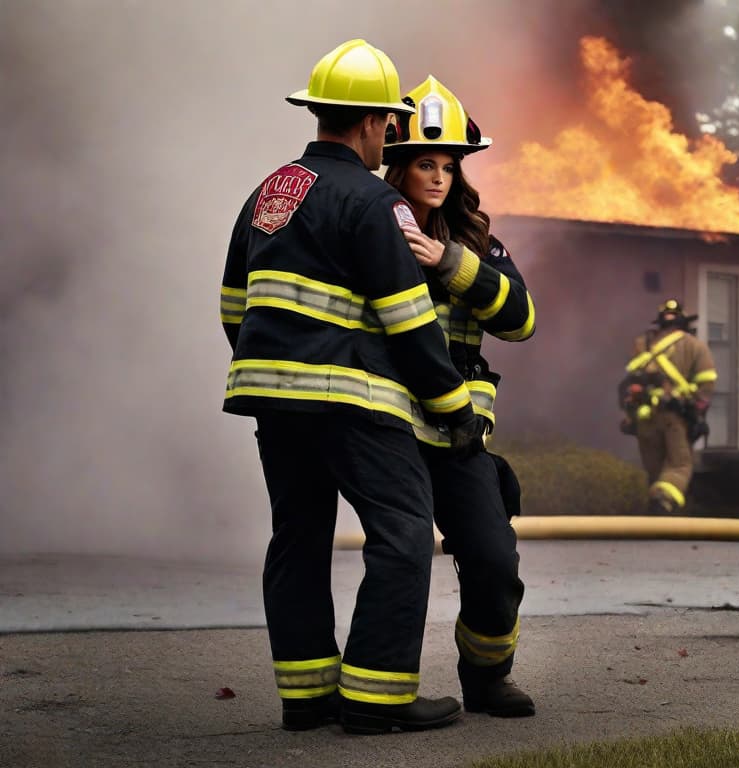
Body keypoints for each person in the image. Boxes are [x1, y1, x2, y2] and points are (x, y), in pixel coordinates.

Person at [219, 40, 488, 735]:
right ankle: (377, 698)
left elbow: (232, 303)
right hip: (352, 400)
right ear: (373, 122)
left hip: (273, 398)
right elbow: (408, 318)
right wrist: (455, 408)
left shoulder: (268, 192)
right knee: (401, 534)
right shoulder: (375, 202)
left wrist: (276, 370)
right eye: (389, 125)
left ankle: (306, 696)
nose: (389, 137)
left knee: (298, 536)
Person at [382, 76, 536, 717]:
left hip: (460, 434)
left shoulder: (476, 242)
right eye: (426, 163)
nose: (440, 177)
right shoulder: (371, 228)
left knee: (495, 559)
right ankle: (383, 692)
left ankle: (486, 674)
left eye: (449, 165)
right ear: (398, 164)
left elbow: (521, 320)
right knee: (400, 559)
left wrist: (449, 261)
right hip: (387, 425)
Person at [618, 299, 717, 515]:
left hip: (644, 418)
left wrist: (630, 415)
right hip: (674, 417)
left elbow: (627, 384)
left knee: (656, 471)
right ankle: (663, 504)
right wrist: (696, 412)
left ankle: (660, 518)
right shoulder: (694, 346)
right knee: (680, 465)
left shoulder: (642, 346)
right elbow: (707, 384)